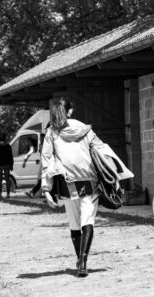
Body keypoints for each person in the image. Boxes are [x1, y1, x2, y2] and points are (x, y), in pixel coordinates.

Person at [41, 97, 103, 278]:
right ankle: (83, 261)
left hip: (67, 183)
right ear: (69, 111)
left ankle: (79, 261)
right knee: (88, 220)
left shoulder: (51, 133)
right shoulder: (84, 129)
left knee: (75, 223)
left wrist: (46, 189)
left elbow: (47, 162)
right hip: (89, 180)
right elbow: (101, 151)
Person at [0, 133, 14, 199]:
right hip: (7, 164)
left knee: (0, 179)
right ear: (5, 138)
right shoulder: (8, 146)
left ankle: (0, 194)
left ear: (0, 138)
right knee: (7, 179)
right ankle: (8, 194)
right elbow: (11, 157)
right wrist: (11, 165)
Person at [26, 133, 45, 199]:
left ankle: (35, 192)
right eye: (40, 138)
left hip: (46, 164)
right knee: (41, 179)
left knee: (43, 179)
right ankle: (36, 192)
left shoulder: (47, 144)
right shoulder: (40, 145)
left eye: (42, 138)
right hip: (43, 163)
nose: (41, 139)